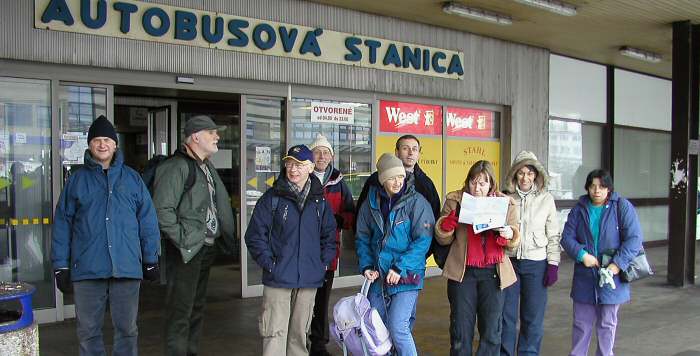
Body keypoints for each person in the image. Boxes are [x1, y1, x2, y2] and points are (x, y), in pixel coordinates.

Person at [52, 115, 161, 356]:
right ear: (89, 145)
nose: (102, 145)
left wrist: (151, 258)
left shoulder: (132, 179)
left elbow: (148, 221)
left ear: (115, 145)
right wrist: (61, 265)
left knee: (127, 330)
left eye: (107, 140)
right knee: (88, 332)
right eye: (97, 140)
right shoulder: (77, 181)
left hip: (126, 267)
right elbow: (62, 224)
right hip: (87, 269)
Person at [152, 115, 236, 356]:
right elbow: (162, 210)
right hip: (186, 250)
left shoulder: (206, 166)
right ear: (196, 137)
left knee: (196, 309)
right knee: (180, 312)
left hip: (204, 249)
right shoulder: (176, 167)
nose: (217, 136)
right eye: (212, 132)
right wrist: (184, 238)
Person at [245, 144, 336, 356]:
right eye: (289, 164)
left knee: (299, 335)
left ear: (311, 168)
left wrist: (321, 264)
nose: (293, 169)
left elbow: (330, 237)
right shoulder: (272, 199)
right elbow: (254, 236)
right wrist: (270, 263)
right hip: (278, 277)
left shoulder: (319, 202)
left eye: (299, 165)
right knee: (274, 333)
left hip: (308, 280)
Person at [434, 160, 520, 356]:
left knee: (491, 331)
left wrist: (508, 234)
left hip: (493, 274)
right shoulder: (455, 200)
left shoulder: (505, 203)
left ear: (491, 184)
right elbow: (442, 238)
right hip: (463, 273)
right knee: (460, 330)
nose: (477, 188)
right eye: (473, 182)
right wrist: (446, 226)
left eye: (483, 183)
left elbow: (515, 239)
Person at [355, 153, 434, 356]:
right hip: (379, 276)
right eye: (391, 177)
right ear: (382, 179)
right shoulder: (370, 203)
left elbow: (423, 241)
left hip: (407, 275)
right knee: (376, 328)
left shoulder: (417, 203)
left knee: (399, 328)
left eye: (400, 176)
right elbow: (363, 238)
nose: (398, 182)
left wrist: (400, 267)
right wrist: (366, 266)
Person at [560, 169, 643, 356]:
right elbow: (566, 237)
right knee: (581, 324)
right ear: (587, 188)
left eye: (602, 186)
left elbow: (634, 239)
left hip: (612, 277)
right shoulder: (579, 209)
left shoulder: (621, 206)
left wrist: (616, 265)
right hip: (585, 276)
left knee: (607, 324)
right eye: (592, 186)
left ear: (609, 189)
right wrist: (582, 255)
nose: (597, 190)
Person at [501, 151, 561, 356]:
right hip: (509, 261)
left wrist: (553, 264)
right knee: (506, 315)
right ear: (515, 174)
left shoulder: (546, 199)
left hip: (536, 263)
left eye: (529, 173)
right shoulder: (505, 197)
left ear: (536, 175)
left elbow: (554, 235)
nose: (525, 178)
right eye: (521, 173)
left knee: (532, 317)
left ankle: (528, 353)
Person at [307, 134, 355, 356]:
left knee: (322, 298)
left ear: (332, 157)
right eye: (317, 152)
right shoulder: (302, 177)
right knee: (303, 298)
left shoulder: (338, 181)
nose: (322, 156)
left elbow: (349, 213)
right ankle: (298, 340)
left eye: (326, 152)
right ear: (311, 155)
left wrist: (338, 220)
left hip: (328, 250)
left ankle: (318, 343)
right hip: (304, 250)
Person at [356, 134, 440, 221]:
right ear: (397, 152)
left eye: (414, 149)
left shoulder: (426, 183)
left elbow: (434, 216)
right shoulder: (376, 179)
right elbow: (362, 214)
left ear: (418, 154)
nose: (410, 153)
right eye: (405, 148)